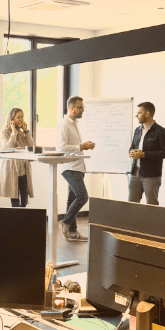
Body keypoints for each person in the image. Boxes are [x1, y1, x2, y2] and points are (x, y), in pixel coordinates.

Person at [56, 97, 95, 242]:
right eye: (80, 107)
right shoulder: (64, 125)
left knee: (72, 199)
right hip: (70, 167)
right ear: (72, 108)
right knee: (82, 197)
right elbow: (62, 147)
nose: (83, 110)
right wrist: (81, 146)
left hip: (78, 167)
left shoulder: (74, 124)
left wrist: (83, 145)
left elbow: (72, 146)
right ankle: (65, 223)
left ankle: (72, 232)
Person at [128, 102, 165, 206]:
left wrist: (144, 155)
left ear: (147, 114)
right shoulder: (137, 130)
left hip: (151, 176)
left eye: (139, 113)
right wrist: (131, 152)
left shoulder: (161, 131)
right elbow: (132, 146)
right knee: (131, 206)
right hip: (135, 174)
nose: (136, 115)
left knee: (152, 206)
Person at [0, 107, 35, 207]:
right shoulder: (4, 132)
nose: (21, 119)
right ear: (12, 119)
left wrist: (26, 131)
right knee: (15, 201)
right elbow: (7, 147)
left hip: (23, 169)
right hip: (12, 170)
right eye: (18, 117)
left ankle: (23, 217)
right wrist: (14, 132)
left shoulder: (23, 133)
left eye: (22, 117)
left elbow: (32, 147)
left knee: (24, 201)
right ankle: (17, 217)